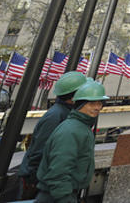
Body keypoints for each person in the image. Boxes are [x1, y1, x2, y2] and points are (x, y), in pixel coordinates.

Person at [35, 78, 108, 203]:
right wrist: (66, 199)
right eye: (92, 103)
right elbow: (58, 173)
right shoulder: (71, 131)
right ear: (80, 104)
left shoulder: (80, 127)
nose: (97, 107)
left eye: (100, 103)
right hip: (57, 197)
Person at [18, 71, 87, 199]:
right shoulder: (55, 117)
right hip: (40, 183)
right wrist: (34, 181)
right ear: (73, 97)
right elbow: (39, 151)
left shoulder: (66, 113)